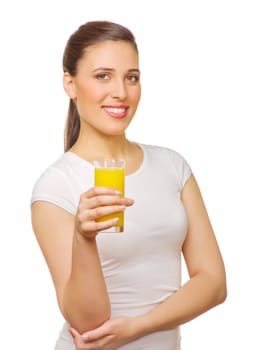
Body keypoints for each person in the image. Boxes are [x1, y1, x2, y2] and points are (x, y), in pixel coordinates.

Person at [31, 20, 227, 350]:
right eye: (102, 76)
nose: (121, 92)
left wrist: (137, 327)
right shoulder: (56, 187)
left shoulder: (172, 166)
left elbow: (213, 282)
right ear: (70, 84)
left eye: (131, 77)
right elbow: (88, 322)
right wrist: (84, 237)